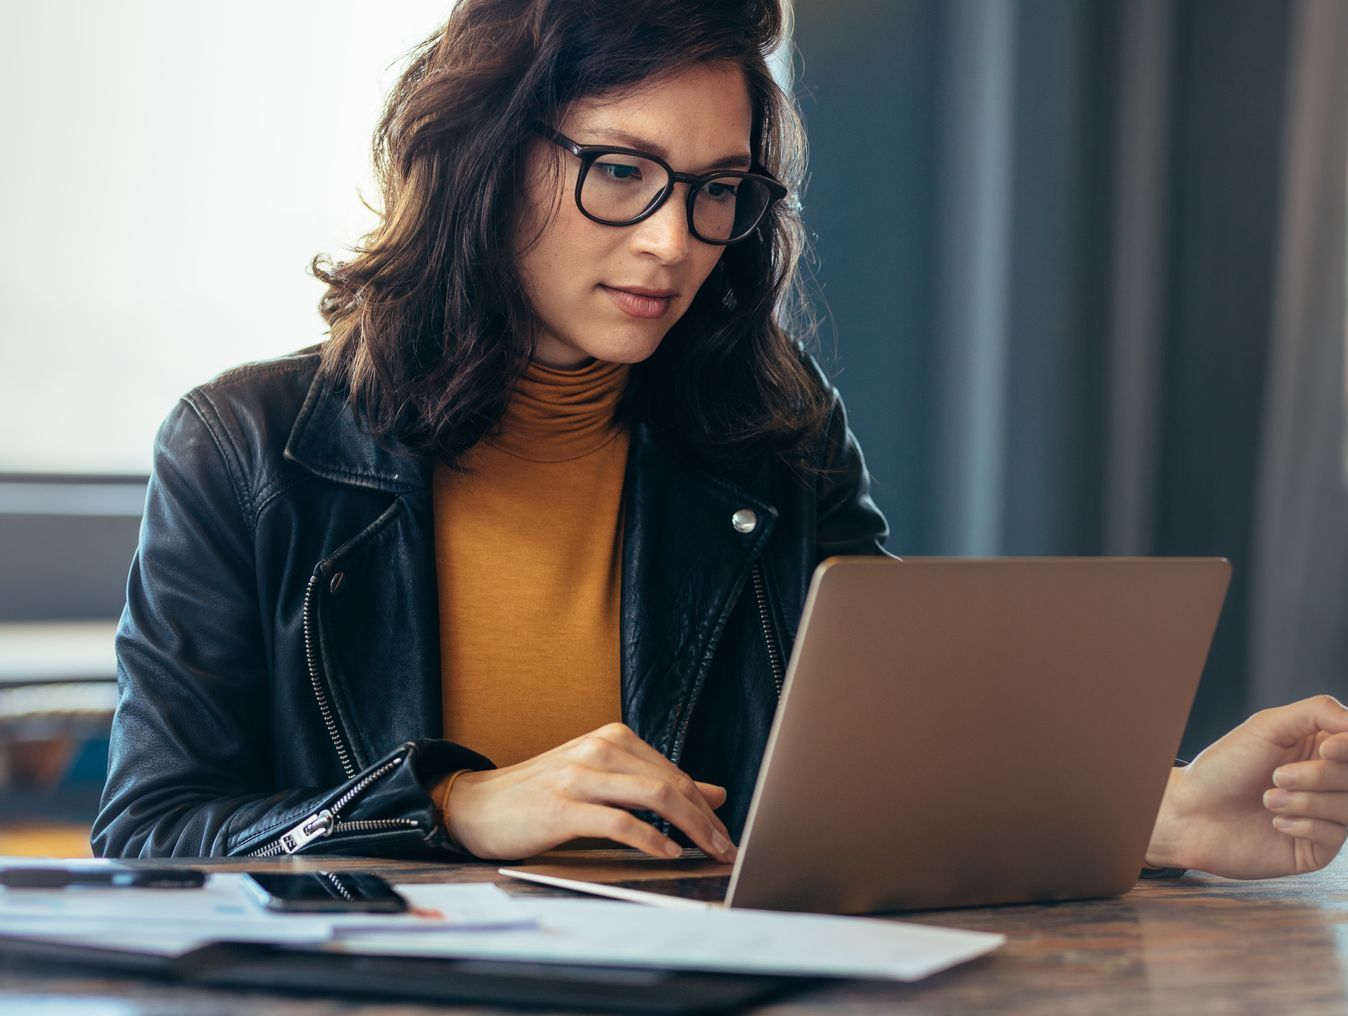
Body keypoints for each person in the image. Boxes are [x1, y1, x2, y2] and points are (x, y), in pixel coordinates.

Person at [92, 0, 1348, 881]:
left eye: (715, 189)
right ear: (486, 158)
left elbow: (892, 772)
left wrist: (1169, 809)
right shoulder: (248, 447)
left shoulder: (774, 434)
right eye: (620, 172)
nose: (672, 241)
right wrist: (450, 807)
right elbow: (151, 832)